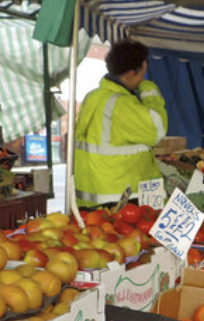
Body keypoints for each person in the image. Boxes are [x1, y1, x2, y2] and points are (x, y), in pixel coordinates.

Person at [73, 39, 167, 207]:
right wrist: (149, 91)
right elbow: (157, 129)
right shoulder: (121, 104)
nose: (142, 80)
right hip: (119, 198)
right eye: (142, 74)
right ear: (131, 74)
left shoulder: (93, 96)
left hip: (90, 196)